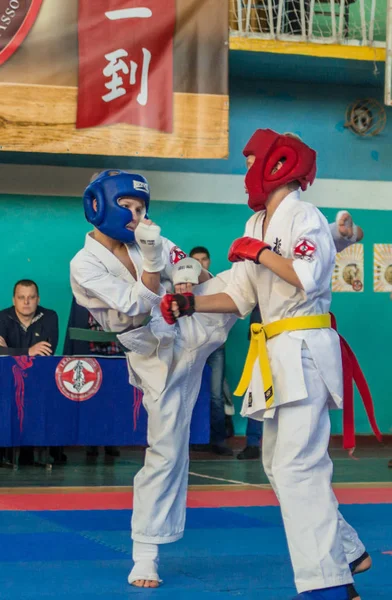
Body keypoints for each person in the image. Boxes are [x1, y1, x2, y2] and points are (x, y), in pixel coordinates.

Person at [160, 129, 371, 600]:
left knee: (299, 466)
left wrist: (262, 254)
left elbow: (308, 277)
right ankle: (348, 549)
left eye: (250, 159)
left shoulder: (305, 216)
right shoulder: (256, 222)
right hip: (276, 351)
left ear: (276, 163)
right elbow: (239, 294)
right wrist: (190, 304)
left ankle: (329, 585)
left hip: (304, 343)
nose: (245, 171)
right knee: (278, 464)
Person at [70, 170, 234, 588]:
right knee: (166, 451)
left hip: (191, 324)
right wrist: (151, 261)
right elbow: (138, 307)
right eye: (128, 207)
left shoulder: (149, 237)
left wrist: (183, 273)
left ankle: (331, 239)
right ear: (99, 206)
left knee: (244, 279)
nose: (136, 216)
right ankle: (145, 554)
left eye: (141, 208)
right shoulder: (84, 263)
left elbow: (191, 266)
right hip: (152, 353)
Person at [0, 279, 59, 465]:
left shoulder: (49, 317)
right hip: (6, 380)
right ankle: (4, 453)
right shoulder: (2, 317)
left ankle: (38, 453)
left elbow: (46, 351)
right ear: (14, 299)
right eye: (21, 298)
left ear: (38, 299)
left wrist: (11, 351)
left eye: (31, 298)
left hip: (38, 379)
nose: (26, 302)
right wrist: (28, 351)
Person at [63, 296, 123, 458]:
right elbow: (73, 327)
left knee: (113, 401)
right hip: (88, 356)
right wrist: (67, 357)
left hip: (116, 356)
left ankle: (111, 442)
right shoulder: (80, 296)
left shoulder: (121, 293)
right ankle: (92, 442)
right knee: (91, 402)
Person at [189, 245, 233, 455]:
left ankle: (218, 440)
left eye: (204, 259)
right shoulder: (183, 285)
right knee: (191, 393)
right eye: (195, 260)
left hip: (216, 347)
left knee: (216, 395)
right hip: (192, 347)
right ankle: (194, 438)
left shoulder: (219, 284)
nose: (200, 263)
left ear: (209, 262)